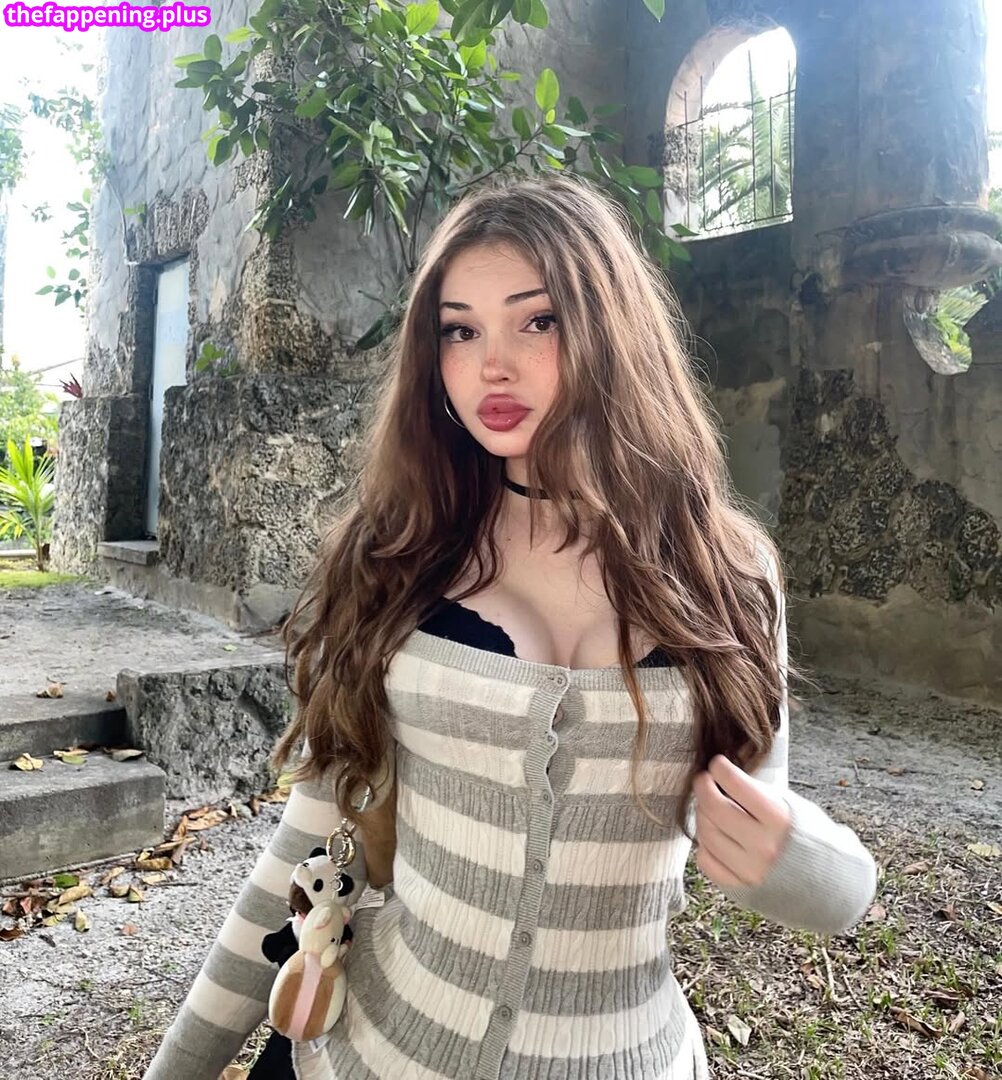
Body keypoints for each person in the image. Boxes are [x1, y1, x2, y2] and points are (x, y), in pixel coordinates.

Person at [143, 174, 877, 1080]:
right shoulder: (397, 553)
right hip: (364, 1051)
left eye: (538, 321)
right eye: (459, 330)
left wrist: (805, 862)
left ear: (614, 329)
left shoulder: (729, 572)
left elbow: (788, 846)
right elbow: (308, 842)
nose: (492, 364)